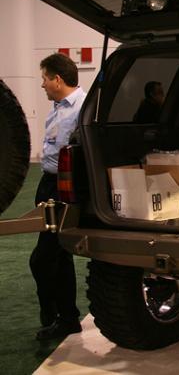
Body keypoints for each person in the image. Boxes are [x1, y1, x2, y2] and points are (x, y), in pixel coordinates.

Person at [31, 53, 86, 340]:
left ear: (57, 79)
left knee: (41, 260)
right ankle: (67, 318)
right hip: (48, 184)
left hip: (65, 188)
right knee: (59, 256)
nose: (42, 84)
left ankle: (54, 314)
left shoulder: (83, 107)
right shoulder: (56, 108)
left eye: (44, 78)